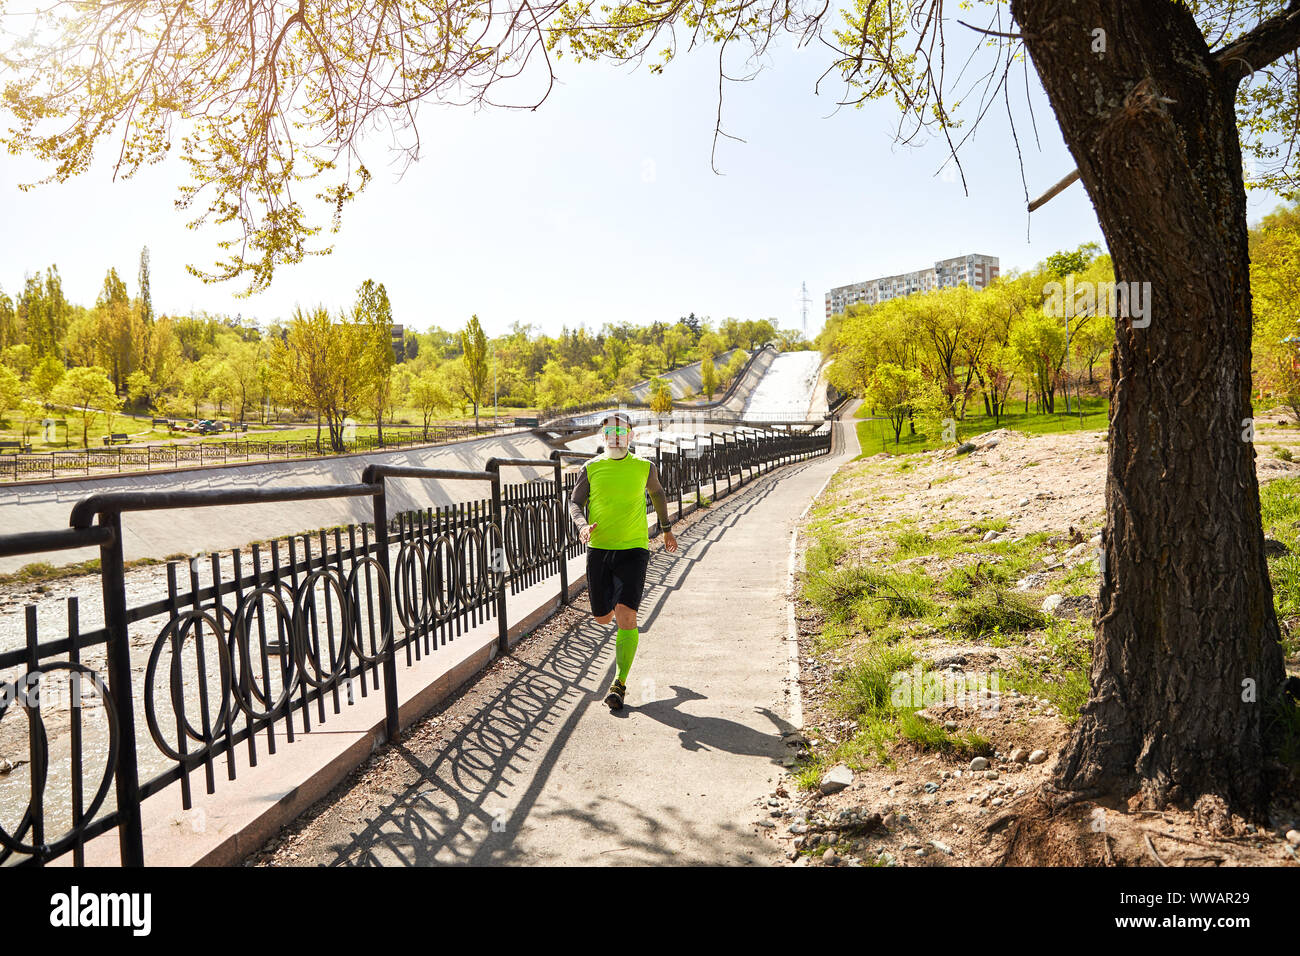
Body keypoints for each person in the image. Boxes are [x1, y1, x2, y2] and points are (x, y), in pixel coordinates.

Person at [567, 412, 678, 710]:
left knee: (627, 616)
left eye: (621, 430)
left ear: (631, 436)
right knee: (603, 617)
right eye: (609, 430)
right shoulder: (591, 468)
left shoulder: (645, 467)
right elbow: (574, 502)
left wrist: (667, 531)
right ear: (602, 437)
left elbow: (658, 494)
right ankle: (617, 619)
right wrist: (581, 526)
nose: (615, 435)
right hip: (600, 550)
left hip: (634, 550)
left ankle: (619, 683)